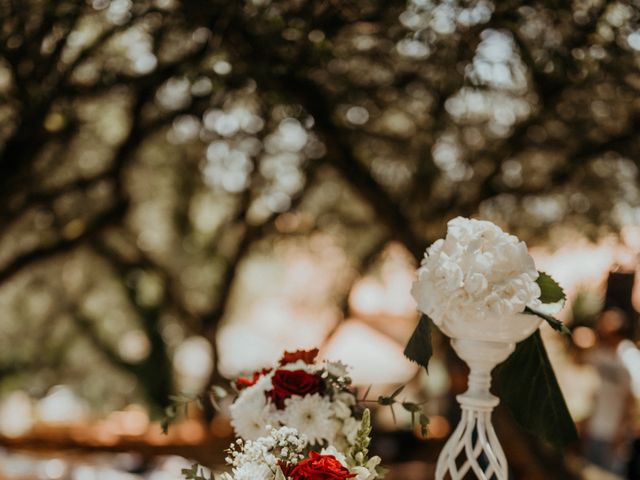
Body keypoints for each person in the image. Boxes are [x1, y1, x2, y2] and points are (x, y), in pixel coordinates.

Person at [584, 308, 635, 476]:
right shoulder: (601, 353)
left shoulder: (629, 356)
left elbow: (631, 399)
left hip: (614, 434)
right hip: (596, 428)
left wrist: (622, 432)